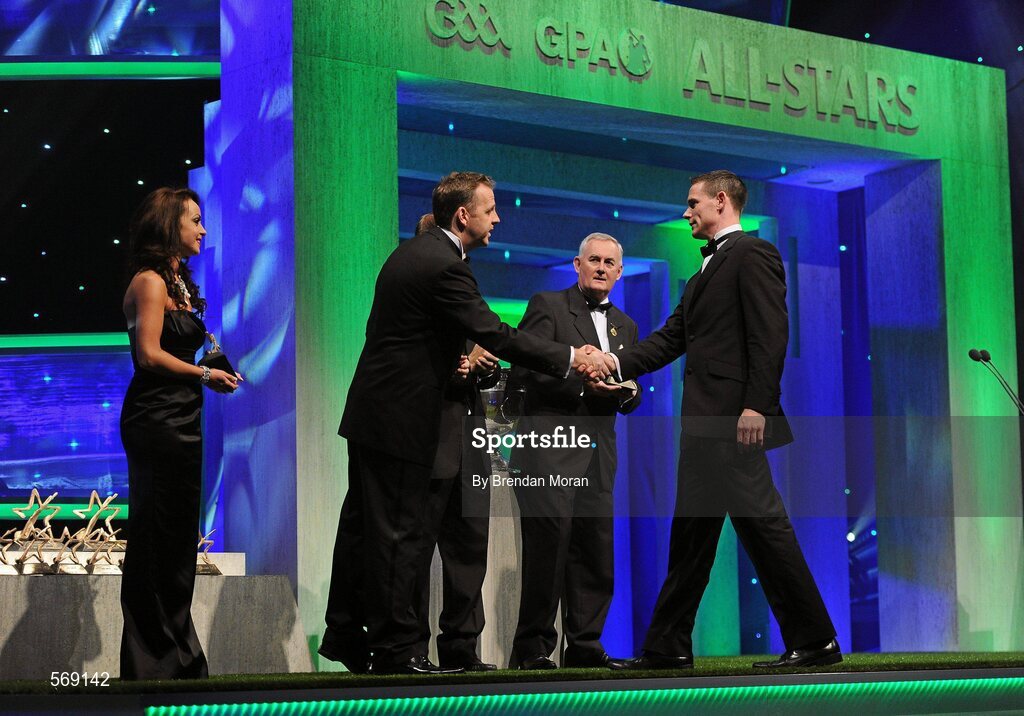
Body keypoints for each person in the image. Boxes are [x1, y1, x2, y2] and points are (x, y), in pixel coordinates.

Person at [320, 172, 610, 675]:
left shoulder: (423, 256)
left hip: (390, 417)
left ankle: (383, 644)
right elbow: (492, 331)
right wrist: (569, 356)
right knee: (397, 537)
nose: (497, 218)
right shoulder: (442, 263)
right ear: (463, 215)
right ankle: (395, 650)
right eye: (490, 209)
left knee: (388, 535)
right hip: (399, 421)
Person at [595, 170, 840, 670]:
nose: (686, 212)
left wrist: (757, 407)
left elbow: (771, 337)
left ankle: (816, 642)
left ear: (721, 201)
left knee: (764, 530)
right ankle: (667, 647)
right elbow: (671, 337)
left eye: (692, 203)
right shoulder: (705, 270)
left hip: (734, 421)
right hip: (704, 426)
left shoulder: (753, 254)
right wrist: (613, 363)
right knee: (690, 539)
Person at [119, 187, 240, 680]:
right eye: (195, 220)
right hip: (156, 419)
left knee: (176, 540)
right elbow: (148, 354)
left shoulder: (179, 283)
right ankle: (153, 657)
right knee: (155, 536)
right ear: (171, 225)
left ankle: (178, 653)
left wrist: (206, 376)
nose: (203, 230)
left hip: (182, 419)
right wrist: (205, 375)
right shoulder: (148, 282)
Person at [507, 233, 641, 670]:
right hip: (550, 450)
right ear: (577, 265)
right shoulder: (548, 305)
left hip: (599, 454)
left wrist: (626, 390)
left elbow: (633, 387)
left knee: (595, 552)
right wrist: (579, 377)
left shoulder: (626, 324)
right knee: (549, 551)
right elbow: (525, 368)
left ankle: (584, 645)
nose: (601, 267)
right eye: (594, 260)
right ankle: (532, 650)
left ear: (620, 272)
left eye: (609, 262)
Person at [412, 212, 501, 672]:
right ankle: (411, 649)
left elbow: (485, 355)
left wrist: (482, 364)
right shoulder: (420, 288)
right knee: (418, 543)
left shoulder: (464, 288)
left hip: (470, 429)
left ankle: (462, 647)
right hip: (428, 434)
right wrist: (456, 364)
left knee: (470, 543)